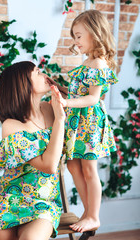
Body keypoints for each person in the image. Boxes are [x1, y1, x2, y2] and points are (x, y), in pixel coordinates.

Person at [56, 9, 119, 235]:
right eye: (74, 36)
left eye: (79, 35)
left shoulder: (98, 64)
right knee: (73, 166)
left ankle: (93, 216)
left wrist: (66, 103)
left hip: (89, 123)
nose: (76, 41)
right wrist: (59, 89)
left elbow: (93, 98)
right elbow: (79, 93)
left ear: (94, 33)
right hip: (78, 124)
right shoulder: (87, 62)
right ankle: (87, 212)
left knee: (89, 170)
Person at [0, 61, 65, 240]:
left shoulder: (50, 108)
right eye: (37, 72)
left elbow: (87, 99)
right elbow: (49, 165)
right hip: (8, 200)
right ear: (23, 84)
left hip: (43, 203)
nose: (43, 74)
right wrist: (60, 120)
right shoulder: (11, 125)